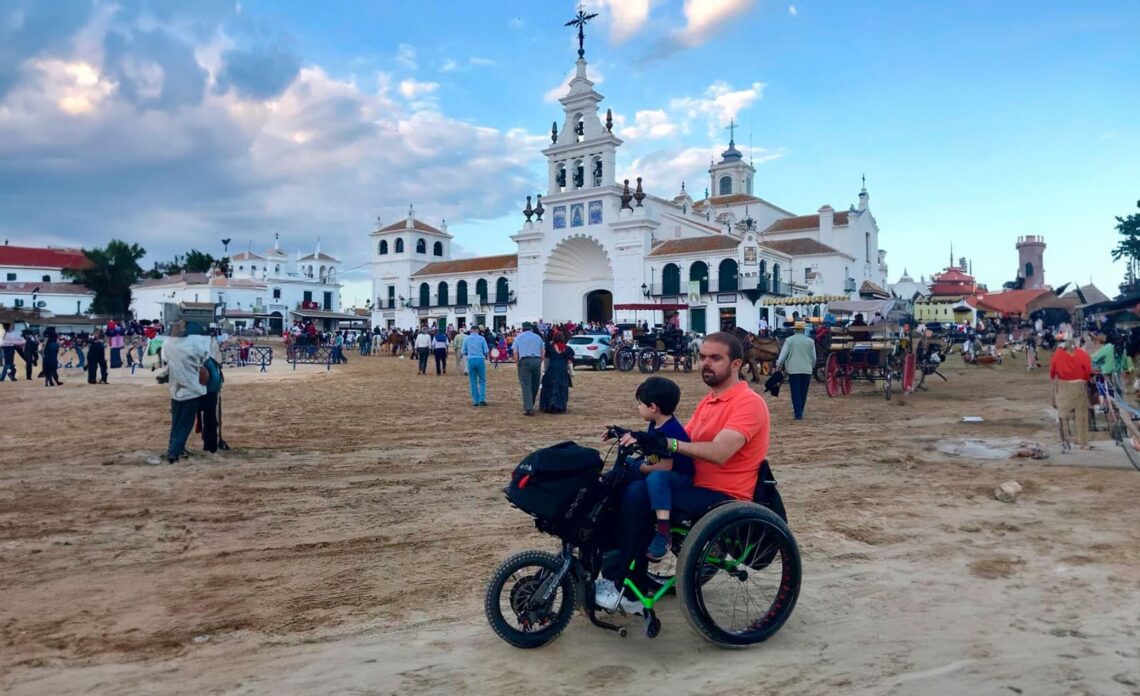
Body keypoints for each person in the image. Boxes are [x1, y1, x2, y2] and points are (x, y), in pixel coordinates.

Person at [597, 331, 771, 613]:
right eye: (703, 357)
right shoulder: (710, 400)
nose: (706, 363)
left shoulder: (748, 404)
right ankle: (613, 569)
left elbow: (717, 452)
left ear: (736, 364)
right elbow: (680, 440)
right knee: (617, 484)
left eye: (715, 358)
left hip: (722, 495)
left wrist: (668, 443)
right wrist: (635, 435)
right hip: (689, 484)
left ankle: (627, 586)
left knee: (635, 494)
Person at [629, 377, 695, 562]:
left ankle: (664, 531)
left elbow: (668, 465)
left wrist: (644, 468)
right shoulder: (655, 423)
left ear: (653, 407)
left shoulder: (671, 431)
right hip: (663, 469)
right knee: (629, 464)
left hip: (680, 478)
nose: (638, 407)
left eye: (640, 403)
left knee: (657, 478)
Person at [159, 322, 210, 463]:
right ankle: (175, 452)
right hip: (191, 387)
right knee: (185, 423)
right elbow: (205, 356)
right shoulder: (193, 342)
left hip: (176, 387)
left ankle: (172, 448)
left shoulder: (167, 343)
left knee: (176, 422)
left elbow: (164, 360)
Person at [1051, 334, 1092, 450]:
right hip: (1080, 386)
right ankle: (1082, 442)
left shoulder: (1057, 354)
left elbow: (1052, 372)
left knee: (1063, 415)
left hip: (1063, 386)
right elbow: (1088, 371)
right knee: (1081, 416)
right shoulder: (1081, 354)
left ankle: (1065, 440)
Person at [775, 321, 817, 420]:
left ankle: (798, 413)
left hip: (793, 369)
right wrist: (812, 366)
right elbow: (814, 357)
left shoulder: (789, 340)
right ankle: (800, 411)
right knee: (803, 392)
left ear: (794, 329)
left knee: (795, 392)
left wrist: (779, 365)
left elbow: (783, 356)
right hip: (807, 370)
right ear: (803, 330)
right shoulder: (810, 341)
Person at [539, 331, 574, 414]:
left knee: (550, 388)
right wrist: (572, 372)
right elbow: (569, 361)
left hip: (552, 369)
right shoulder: (567, 348)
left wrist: (544, 370)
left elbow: (546, 360)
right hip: (562, 370)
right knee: (561, 388)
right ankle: (560, 406)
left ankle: (550, 406)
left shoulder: (550, 347)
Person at [513, 323, 544, 416]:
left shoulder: (518, 338)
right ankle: (531, 403)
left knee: (526, 385)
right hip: (536, 360)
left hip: (524, 361)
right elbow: (543, 351)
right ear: (531, 329)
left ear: (523, 329)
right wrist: (540, 361)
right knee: (535, 384)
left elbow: (515, 352)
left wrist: (517, 363)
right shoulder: (538, 337)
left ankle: (529, 407)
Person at [462, 325, 489, 406]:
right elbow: (486, 351)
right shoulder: (482, 338)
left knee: (473, 380)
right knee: (482, 380)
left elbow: (463, 351)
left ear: (471, 331)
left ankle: (475, 401)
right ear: (477, 330)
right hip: (480, 359)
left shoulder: (466, 339)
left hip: (471, 360)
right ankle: (482, 399)